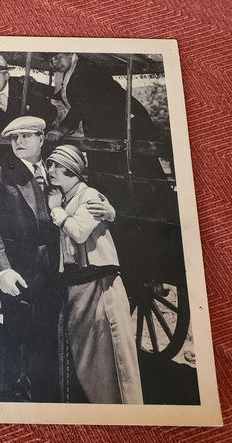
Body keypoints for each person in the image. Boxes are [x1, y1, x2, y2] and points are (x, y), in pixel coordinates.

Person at [0, 116, 116, 402]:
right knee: (17, 339)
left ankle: (49, 403)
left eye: (26, 136)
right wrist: (3, 270)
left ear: (41, 139)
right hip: (19, 272)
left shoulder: (56, 171)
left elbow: (85, 199)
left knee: (51, 340)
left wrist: (109, 211)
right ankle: (13, 405)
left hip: (58, 271)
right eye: (14, 138)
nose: (19, 142)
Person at [45, 144, 143, 404]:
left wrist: (56, 211)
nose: (52, 170)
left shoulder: (89, 196)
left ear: (73, 169)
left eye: (58, 165)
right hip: (78, 287)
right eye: (50, 165)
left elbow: (78, 232)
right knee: (89, 365)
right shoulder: (65, 198)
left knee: (112, 360)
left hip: (101, 287)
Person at [0, 52, 57, 161]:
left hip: (25, 147)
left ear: (6, 76)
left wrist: (39, 129)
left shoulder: (23, 87)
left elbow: (51, 111)